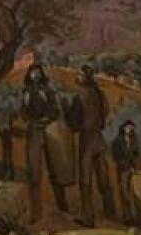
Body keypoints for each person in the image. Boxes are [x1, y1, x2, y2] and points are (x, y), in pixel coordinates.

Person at [67, 62, 114, 224]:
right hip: (98, 137)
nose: (77, 77)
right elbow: (106, 111)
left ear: (85, 78)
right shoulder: (100, 93)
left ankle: (88, 217)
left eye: (79, 75)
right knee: (103, 177)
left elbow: (73, 121)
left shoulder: (79, 95)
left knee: (85, 179)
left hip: (86, 138)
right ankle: (111, 214)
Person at [21, 63, 68, 216]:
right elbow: (23, 113)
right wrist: (32, 121)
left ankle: (63, 209)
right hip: (34, 132)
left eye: (38, 72)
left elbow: (55, 110)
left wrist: (48, 118)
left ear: (41, 74)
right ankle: (36, 212)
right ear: (29, 75)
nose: (35, 75)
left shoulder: (48, 90)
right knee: (34, 173)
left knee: (56, 171)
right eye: (33, 73)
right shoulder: (25, 92)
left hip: (50, 131)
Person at [111, 119, 141, 224]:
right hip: (123, 170)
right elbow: (116, 157)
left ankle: (137, 216)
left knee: (135, 192)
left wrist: (136, 165)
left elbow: (137, 154)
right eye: (128, 127)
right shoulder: (117, 141)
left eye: (132, 128)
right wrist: (126, 165)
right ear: (124, 128)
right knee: (124, 193)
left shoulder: (134, 140)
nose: (130, 129)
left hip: (133, 170)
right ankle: (127, 217)